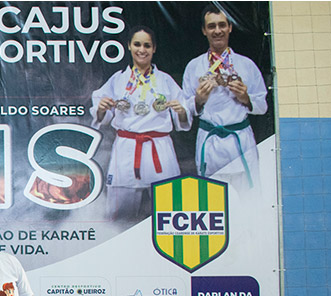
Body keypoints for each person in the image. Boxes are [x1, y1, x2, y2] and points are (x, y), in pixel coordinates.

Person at [90, 26, 191, 221]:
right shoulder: (118, 79)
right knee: (119, 215)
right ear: (129, 46)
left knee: (169, 210)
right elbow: (102, 116)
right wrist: (102, 108)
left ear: (154, 49)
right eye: (137, 44)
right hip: (127, 148)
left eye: (147, 45)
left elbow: (184, 116)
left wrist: (182, 111)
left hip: (159, 148)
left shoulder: (165, 80)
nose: (142, 50)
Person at [182, 5, 268, 190]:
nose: (217, 30)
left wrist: (245, 98)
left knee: (249, 200)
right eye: (211, 26)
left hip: (240, 143)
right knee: (212, 202)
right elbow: (185, 109)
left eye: (222, 25)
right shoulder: (194, 67)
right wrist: (198, 100)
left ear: (230, 27)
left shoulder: (246, 65)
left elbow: (263, 107)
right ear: (204, 30)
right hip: (210, 144)